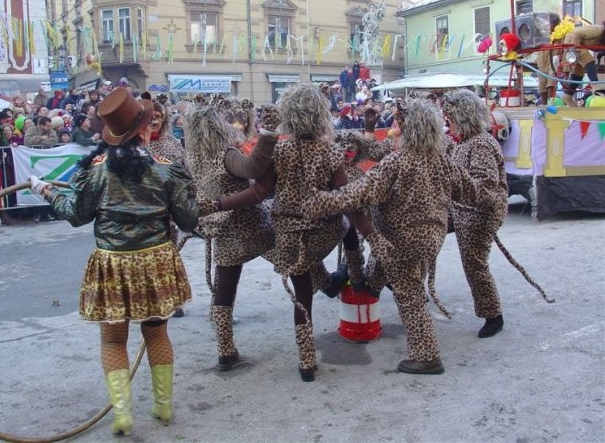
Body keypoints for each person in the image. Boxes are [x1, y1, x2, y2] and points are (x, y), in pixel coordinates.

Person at [28, 87, 198, 436]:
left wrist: (45, 191)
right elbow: (189, 220)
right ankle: (163, 406)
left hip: (113, 265)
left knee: (112, 341)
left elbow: (76, 213)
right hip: (155, 262)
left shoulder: (97, 170)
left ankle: (122, 412)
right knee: (157, 333)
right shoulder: (166, 170)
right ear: (144, 130)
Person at [300, 98, 494, 375]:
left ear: (409, 130)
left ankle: (427, 356)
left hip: (400, 240)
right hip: (430, 239)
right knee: (389, 275)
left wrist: (319, 201)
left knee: (410, 296)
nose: (390, 130)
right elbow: (472, 190)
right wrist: (494, 198)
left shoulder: (396, 162)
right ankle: (370, 291)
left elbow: (359, 193)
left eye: (395, 125)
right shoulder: (439, 160)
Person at [205, 85, 378, 382]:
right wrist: (372, 234)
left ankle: (306, 362)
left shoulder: (279, 151)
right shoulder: (330, 151)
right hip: (323, 231)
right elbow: (345, 197)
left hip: (287, 235)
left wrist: (216, 204)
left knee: (301, 296)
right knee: (346, 227)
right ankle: (354, 274)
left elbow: (258, 192)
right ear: (319, 115)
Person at [185, 101, 281, 371]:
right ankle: (329, 285)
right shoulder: (224, 154)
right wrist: (269, 134)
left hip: (223, 229)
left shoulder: (192, 156)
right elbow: (253, 169)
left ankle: (225, 350)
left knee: (224, 287)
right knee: (292, 261)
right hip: (251, 223)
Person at [441, 89, 508, 338]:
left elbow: (484, 186)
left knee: (474, 263)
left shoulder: (480, 144)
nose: (448, 122)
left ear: (463, 117)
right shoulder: (464, 142)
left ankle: (493, 315)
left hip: (481, 211)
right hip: (460, 207)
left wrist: (454, 184)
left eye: (451, 118)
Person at [562, 21, 605, 106]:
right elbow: (576, 33)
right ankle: (596, 87)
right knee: (588, 59)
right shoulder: (598, 30)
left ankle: (568, 95)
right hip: (573, 40)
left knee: (579, 70)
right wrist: (575, 50)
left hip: (579, 44)